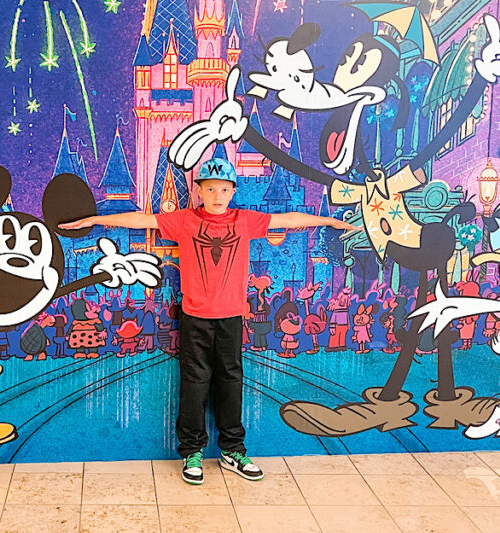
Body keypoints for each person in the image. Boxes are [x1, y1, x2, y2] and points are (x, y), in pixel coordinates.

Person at [61, 157, 352, 484]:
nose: (217, 195)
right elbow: (141, 220)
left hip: (230, 317)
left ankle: (232, 450)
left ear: (232, 192)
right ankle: (192, 452)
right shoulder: (184, 221)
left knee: (231, 381)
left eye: (224, 189)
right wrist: (96, 219)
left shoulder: (244, 220)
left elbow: (288, 218)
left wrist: (329, 220)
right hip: (195, 317)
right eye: (210, 188)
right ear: (199, 191)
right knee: (195, 382)